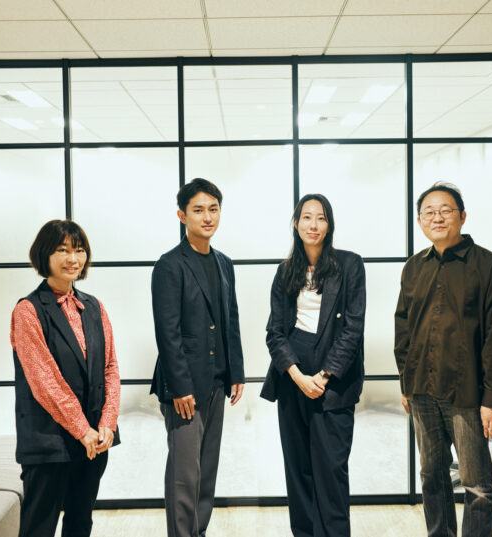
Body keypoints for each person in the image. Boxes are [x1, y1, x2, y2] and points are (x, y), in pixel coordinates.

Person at [394, 182, 492, 537]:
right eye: (429, 212)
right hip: (422, 391)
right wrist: (406, 383)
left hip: (468, 394)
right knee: (431, 477)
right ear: (420, 221)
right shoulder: (414, 267)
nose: (437, 217)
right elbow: (403, 329)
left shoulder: (488, 266)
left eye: (445, 210)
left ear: (462, 216)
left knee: (476, 485)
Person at [261, 193, 366, 537]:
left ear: (329, 224)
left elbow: (352, 329)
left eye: (321, 218)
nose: (313, 225)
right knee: (299, 471)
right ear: (296, 224)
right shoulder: (285, 271)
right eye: (307, 217)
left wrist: (322, 376)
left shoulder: (349, 265)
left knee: (331, 471)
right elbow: (275, 332)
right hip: (292, 374)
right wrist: (296, 375)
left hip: (334, 380)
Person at [10, 219, 120, 537]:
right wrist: (81, 429)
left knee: (80, 523)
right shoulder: (28, 310)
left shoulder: (94, 307)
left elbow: (110, 368)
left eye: (79, 250)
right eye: (62, 250)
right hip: (48, 440)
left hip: (94, 439)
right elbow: (44, 381)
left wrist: (107, 423)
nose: (73, 259)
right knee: (39, 527)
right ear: (44, 255)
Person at [150, 178, 245, 537]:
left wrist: (237, 372)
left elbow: (230, 320)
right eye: (198, 210)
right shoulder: (170, 265)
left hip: (217, 382)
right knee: (184, 475)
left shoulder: (224, 263)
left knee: (206, 472)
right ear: (182, 215)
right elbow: (168, 333)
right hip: (185, 387)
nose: (207, 217)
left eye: (213, 209)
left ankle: (198, 532)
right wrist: (180, 387)